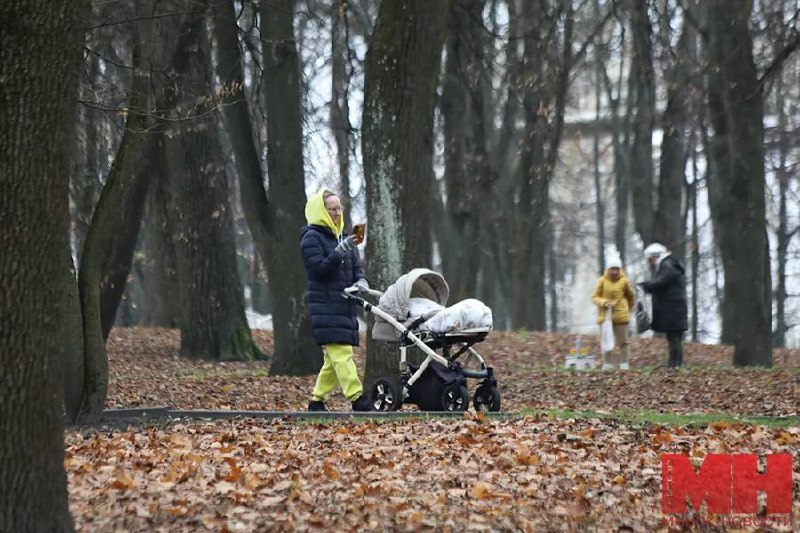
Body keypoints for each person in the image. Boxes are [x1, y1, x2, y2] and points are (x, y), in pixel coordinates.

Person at [300, 190, 372, 411]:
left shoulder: (342, 237)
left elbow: (356, 268)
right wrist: (340, 251)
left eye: (339, 208)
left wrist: (361, 281)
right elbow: (319, 270)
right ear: (320, 211)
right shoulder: (311, 237)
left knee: (333, 360)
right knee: (342, 354)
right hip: (326, 306)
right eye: (332, 209)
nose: (336, 213)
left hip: (344, 305)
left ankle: (316, 401)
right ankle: (357, 398)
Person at [638, 243, 688, 368]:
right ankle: (676, 363)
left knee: (673, 337)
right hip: (676, 307)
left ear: (655, 256)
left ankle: (674, 364)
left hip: (673, 308)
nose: (651, 262)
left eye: (650, 259)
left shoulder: (667, 265)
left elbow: (660, 283)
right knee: (675, 337)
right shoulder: (671, 264)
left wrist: (644, 286)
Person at [592, 253, 635, 370]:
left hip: (621, 315)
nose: (615, 272)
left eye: (617, 269)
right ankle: (607, 363)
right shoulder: (601, 281)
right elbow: (595, 297)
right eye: (612, 269)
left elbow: (631, 297)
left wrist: (628, 309)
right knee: (606, 340)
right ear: (608, 269)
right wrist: (603, 302)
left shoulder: (625, 281)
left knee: (623, 341)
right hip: (605, 316)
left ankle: (624, 363)